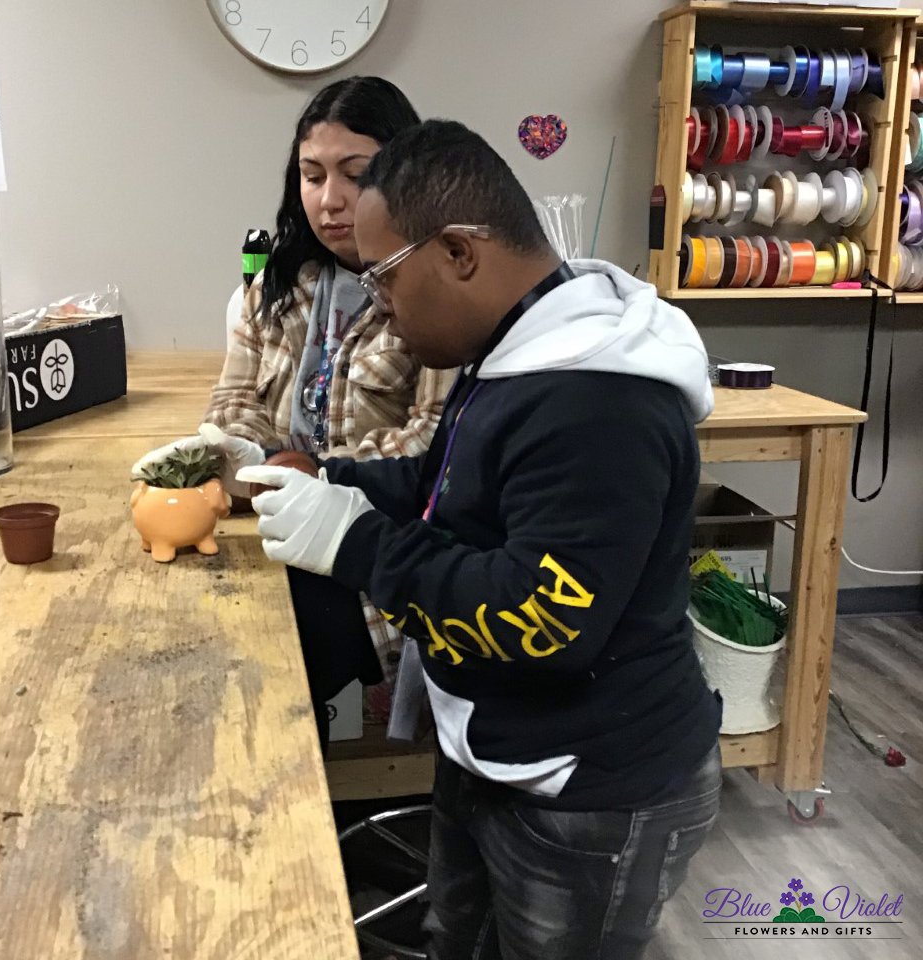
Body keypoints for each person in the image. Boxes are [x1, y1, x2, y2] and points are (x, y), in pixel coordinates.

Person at [238, 119, 723, 958]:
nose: (381, 313)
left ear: (459, 252)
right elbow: (447, 491)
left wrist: (356, 546)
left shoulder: (598, 404)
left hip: (588, 790)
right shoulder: (516, 353)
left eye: (384, 278)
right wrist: (321, 478)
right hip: (495, 753)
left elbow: (541, 622)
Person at [133, 78, 455, 750]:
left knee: (241, 676)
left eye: (355, 175)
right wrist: (231, 454)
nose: (330, 200)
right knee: (172, 621)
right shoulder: (277, 283)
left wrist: (316, 473)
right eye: (311, 176)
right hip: (276, 529)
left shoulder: (435, 290)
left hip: (373, 560)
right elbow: (236, 396)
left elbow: (437, 445)